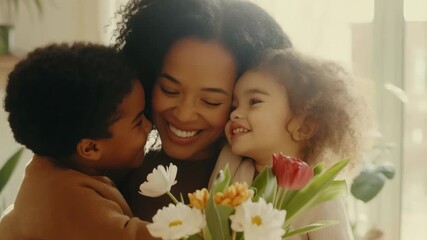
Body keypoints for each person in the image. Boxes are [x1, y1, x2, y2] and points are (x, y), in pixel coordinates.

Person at [113, 0, 293, 221]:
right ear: (148, 78)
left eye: (210, 101)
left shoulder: (272, 185)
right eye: (170, 90)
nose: (184, 114)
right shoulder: (116, 173)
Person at [0, 43, 157, 240]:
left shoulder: (54, 166)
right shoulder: (67, 202)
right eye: (138, 121)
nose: (149, 125)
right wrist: (195, 220)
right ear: (90, 148)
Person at [221, 49, 369, 240]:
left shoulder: (319, 195)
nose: (234, 114)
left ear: (304, 127)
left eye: (254, 101)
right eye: (234, 106)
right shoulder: (229, 164)